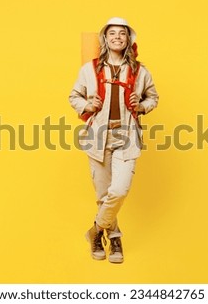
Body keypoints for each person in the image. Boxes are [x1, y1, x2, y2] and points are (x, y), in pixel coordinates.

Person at [69, 17, 159, 263]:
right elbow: (73, 96)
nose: (117, 37)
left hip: (126, 136)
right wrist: (88, 103)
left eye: (122, 33)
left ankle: (95, 230)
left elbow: (153, 97)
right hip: (98, 135)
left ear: (128, 39)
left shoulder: (141, 71)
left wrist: (141, 106)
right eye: (112, 34)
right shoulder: (90, 68)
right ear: (105, 39)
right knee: (103, 193)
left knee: (118, 190)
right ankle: (114, 236)